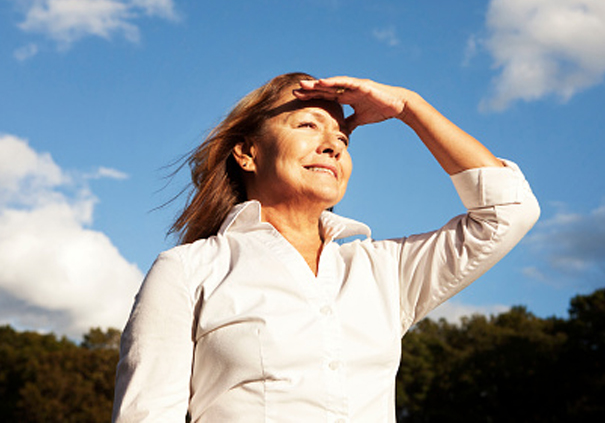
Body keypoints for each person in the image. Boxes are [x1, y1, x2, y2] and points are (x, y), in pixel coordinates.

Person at [112, 73, 540, 422]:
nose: (333, 143)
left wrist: (409, 108)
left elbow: (508, 211)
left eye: (343, 138)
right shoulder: (188, 270)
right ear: (247, 153)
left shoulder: (383, 270)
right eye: (307, 125)